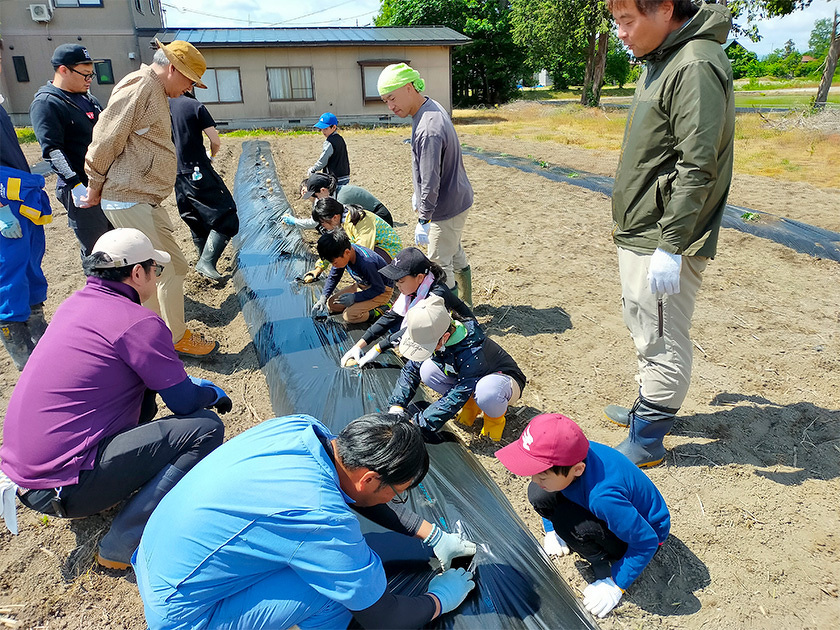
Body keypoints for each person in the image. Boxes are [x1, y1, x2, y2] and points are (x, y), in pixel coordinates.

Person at [0, 228, 228, 569]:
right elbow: (184, 403)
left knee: (144, 389)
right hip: (61, 486)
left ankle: (104, 486)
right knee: (205, 427)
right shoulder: (138, 323)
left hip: (24, 476)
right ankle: (121, 545)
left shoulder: (74, 305)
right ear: (138, 273)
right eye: (156, 269)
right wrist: (208, 392)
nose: (156, 277)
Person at [133, 413, 477, 630]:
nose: (396, 501)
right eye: (397, 493)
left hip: (156, 559)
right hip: (182, 616)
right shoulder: (321, 519)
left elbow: (352, 489)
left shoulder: (301, 429)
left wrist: (431, 534)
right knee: (336, 597)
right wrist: (440, 599)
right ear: (371, 479)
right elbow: (383, 617)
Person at [605, 0, 735, 466]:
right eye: (616, 21)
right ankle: (648, 408)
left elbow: (698, 164)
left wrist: (670, 245)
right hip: (644, 225)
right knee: (644, 322)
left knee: (660, 332)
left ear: (664, 9)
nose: (620, 32)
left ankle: (647, 440)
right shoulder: (664, 57)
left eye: (626, 21)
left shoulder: (695, 62)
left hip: (663, 233)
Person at [82, 38, 218, 357]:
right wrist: (94, 183)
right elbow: (105, 138)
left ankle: (175, 335)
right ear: (173, 68)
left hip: (146, 199)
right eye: (188, 81)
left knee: (176, 266)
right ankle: (158, 345)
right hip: (128, 198)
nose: (188, 89)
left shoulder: (156, 91)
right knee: (153, 273)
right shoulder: (140, 86)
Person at [495, 414, 670, 619]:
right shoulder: (573, 453)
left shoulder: (603, 498)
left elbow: (646, 541)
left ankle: (601, 561)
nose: (534, 478)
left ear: (577, 469)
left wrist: (615, 585)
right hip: (615, 512)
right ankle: (564, 529)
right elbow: (546, 488)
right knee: (539, 494)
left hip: (646, 535)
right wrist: (550, 530)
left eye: (542, 474)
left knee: (569, 523)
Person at [377, 63, 474, 308]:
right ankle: (467, 303)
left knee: (439, 265)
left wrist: (424, 217)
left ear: (409, 88)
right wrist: (417, 192)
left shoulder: (427, 128)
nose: (390, 106)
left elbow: (431, 181)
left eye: (392, 98)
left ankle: (454, 316)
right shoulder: (428, 107)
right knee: (453, 250)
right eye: (385, 101)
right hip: (456, 198)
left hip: (445, 206)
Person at [387, 295, 526, 441]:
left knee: (487, 392)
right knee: (427, 370)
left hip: (504, 382)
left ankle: (494, 421)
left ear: (445, 337)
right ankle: (471, 406)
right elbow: (411, 370)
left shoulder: (472, 352)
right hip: (470, 381)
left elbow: (460, 391)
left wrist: (419, 423)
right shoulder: (436, 336)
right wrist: (397, 404)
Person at [30, 43, 113, 259]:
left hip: (105, 183)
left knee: (116, 241)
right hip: (80, 187)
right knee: (97, 249)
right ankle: (99, 291)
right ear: (63, 70)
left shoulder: (88, 99)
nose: (89, 80)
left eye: (91, 74)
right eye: (84, 74)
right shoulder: (48, 103)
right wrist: (75, 184)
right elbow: (52, 150)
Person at [0, 42, 52, 371]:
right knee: (9, 272)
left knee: (32, 265)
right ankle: (20, 348)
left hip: (21, 196)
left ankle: (39, 331)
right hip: (5, 201)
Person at [341, 247, 474, 368]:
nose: (397, 285)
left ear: (420, 277)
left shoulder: (435, 296)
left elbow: (412, 330)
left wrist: (377, 349)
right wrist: (359, 345)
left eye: (401, 281)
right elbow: (390, 317)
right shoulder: (414, 290)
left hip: (460, 339)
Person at [169, 90, 239, 281]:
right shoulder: (194, 106)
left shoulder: (163, 105)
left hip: (176, 173)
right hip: (197, 170)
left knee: (194, 217)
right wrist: (212, 155)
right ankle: (207, 262)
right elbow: (215, 140)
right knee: (227, 215)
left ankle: (203, 262)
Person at [303, 197, 402, 283]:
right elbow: (333, 248)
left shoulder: (360, 219)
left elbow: (364, 249)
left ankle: (380, 287)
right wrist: (318, 269)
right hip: (373, 249)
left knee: (349, 256)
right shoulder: (340, 222)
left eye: (323, 223)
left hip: (388, 250)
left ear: (334, 217)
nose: (323, 226)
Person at [312, 228, 395, 324]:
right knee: (331, 304)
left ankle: (380, 310)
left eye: (334, 262)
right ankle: (362, 304)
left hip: (382, 291)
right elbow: (334, 276)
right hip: (361, 286)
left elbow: (379, 288)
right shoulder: (343, 253)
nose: (333, 265)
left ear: (347, 252)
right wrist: (323, 298)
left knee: (349, 316)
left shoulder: (367, 263)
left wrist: (355, 297)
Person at [287, 171, 394, 226]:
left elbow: (341, 224)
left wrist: (295, 221)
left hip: (380, 218)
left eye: (315, 195)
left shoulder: (342, 199)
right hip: (367, 217)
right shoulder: (333, 192)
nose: (316, 199)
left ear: (323, 190)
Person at [307, 111, 350, 188]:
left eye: (326, 129)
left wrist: (313, 169)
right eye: (322, 129)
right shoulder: (340, 139)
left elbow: (323, 160)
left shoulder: (329, 142)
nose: (323, 131)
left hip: (334, 178)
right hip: (345, 175)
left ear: (334, 127)